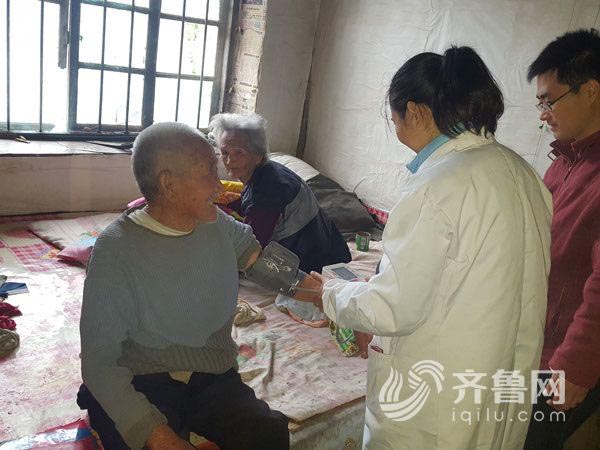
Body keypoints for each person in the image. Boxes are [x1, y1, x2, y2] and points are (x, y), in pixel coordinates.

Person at [298, 46, 553, 449]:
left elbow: (394, 307)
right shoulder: (523, 173)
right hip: (496, 384)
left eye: (394, 118)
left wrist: (328, 293)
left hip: (435, 403)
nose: (396, 128)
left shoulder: (437, 186)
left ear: (415, 112)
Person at [77, 122, 320, 450]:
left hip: (211, 374)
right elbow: (99, 362)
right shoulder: (115, 250)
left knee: (268, 434)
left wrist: (326, 296)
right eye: (209, 173)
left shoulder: (218, 225)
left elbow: (263, 262)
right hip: (140, 377)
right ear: (168, 183)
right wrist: (161, 437)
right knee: (134, 435)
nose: (219, 187)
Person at [524, 28, 600, 449]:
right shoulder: (566, 159)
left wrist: (574, 366)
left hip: (566, 358)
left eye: (549, 101)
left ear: (589, 91)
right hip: (538, 342)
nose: (544, 114)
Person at [208, 113, 351, 325]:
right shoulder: (269, 171)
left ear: (258, 155)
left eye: (239, 153)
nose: (229, 160)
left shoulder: (268, 189)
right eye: (225, 152)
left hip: (312, 266)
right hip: (334, 249)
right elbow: (250, 204)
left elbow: (249, 245)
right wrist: (223, 203)